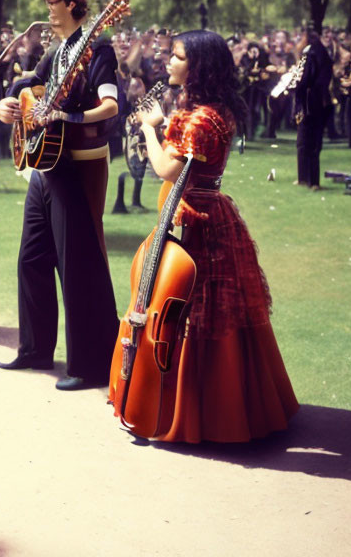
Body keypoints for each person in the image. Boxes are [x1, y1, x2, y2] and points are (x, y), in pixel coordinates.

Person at [111, 29, 298, 442]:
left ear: (198, 66)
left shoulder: (199, 119)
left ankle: (203, 411)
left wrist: (149, 127)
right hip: (208, 210)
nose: (169, 63)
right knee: (215, 314)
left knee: (192, 312)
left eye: (177, 57)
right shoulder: (213, 110)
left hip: (196, 219)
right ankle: (239, 402)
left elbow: (166, 169)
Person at [0, 0, 119, 390]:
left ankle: (89, 364)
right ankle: (35, 349)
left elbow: (110, 104)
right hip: (46, 164)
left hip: (80, 164)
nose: (48, 9)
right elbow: (29, 82)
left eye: (54, 2)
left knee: (77, 265)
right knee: (31, 258)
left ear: (72, 5)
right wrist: (8, 102)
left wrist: (69, 117)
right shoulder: (58, 50)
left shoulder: (98, 47)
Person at [293, 28, 334, 190]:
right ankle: (308, 179)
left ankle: (311, 180)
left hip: (311, 102)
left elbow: (304, 79)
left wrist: (297, 90)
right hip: (319, 101)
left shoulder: (310, 53)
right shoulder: (321, 53)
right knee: (309, 141)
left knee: (309, 142)